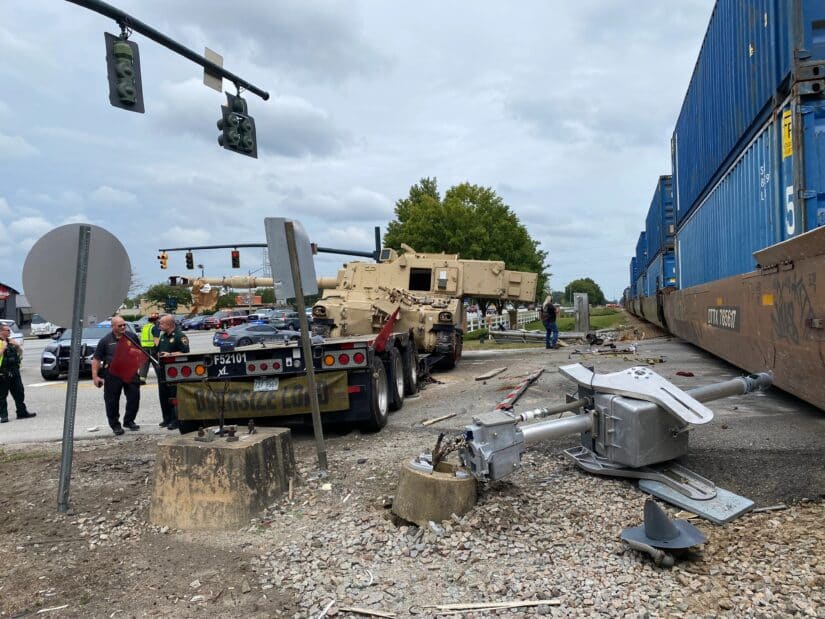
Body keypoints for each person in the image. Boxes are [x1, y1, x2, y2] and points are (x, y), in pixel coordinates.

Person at [92, 316, 143, 436]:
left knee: (134, 397)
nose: (123, 327)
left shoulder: (132, 337)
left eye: (124, 325)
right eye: (120, 325)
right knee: (112, 401)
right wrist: (95, 377)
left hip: (130, 371)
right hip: (112, 374)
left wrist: (135, 353)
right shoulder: (105, 340)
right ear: (113, 326)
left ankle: (129, 421)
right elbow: (96, 359)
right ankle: (115, 425)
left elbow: (141, 352)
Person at [156, 313, 189, 431]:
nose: (159, 325)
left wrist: (170, 354)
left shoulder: (180, 336)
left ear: (169, 324)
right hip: (162, 370)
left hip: (174, 371)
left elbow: (185, 352)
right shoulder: (163, 336)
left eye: (161, 323)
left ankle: (175, 420)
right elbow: (159, 349)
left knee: (173, 396)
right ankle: (166, 419)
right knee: (163, 395)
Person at [0, 324, 36, 423]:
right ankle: (3, 415)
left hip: (14, 371)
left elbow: (20, 353)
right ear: (1, 331)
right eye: (7, 330)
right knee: (2, 395)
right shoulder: (1, 343)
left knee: (19, 392)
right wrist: (3, 347)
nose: (9, 332)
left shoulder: (11, 341)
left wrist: (17, 346)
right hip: (3, 373)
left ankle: (21, 412)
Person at [138, 312, 160, 384]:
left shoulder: (145, 327)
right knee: (157, 363)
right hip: (152, 348)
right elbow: (156, 339)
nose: (158, 322)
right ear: (155, 321)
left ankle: (142, 379)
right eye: (157, 320)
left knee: (144, 364)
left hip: (143, 348)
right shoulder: (154, 327)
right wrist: (159, 350)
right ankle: (161, 378)